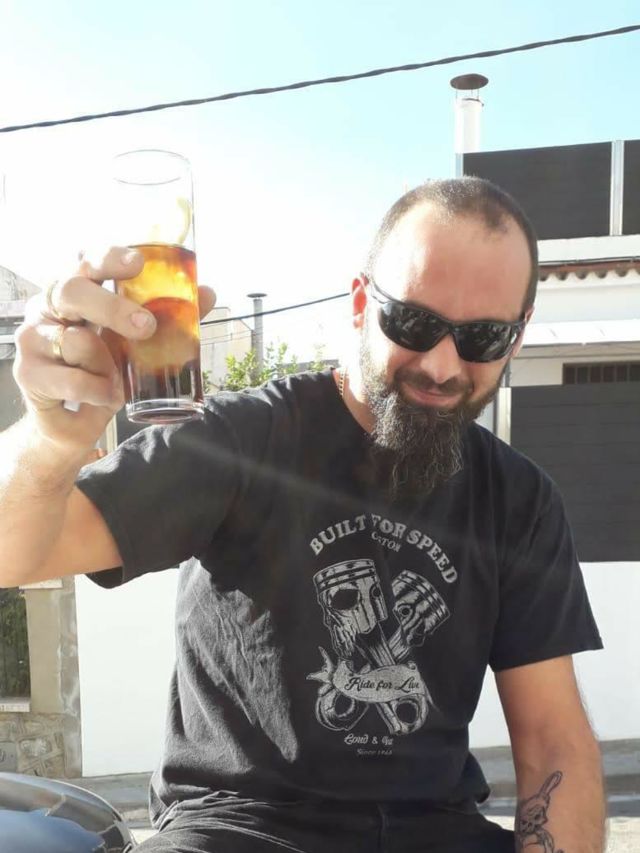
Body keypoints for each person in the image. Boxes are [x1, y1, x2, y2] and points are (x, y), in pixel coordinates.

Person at [0, 177, 606, 853]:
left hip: (438, 832)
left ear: (516, 337)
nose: (441, 364)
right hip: (238, 827)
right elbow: (16, 550)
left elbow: (554, 740)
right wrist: (51, 439)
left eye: (482, 337)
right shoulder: (241, 439)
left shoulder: (519, 499)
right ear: (361, 303)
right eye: (413, 323)